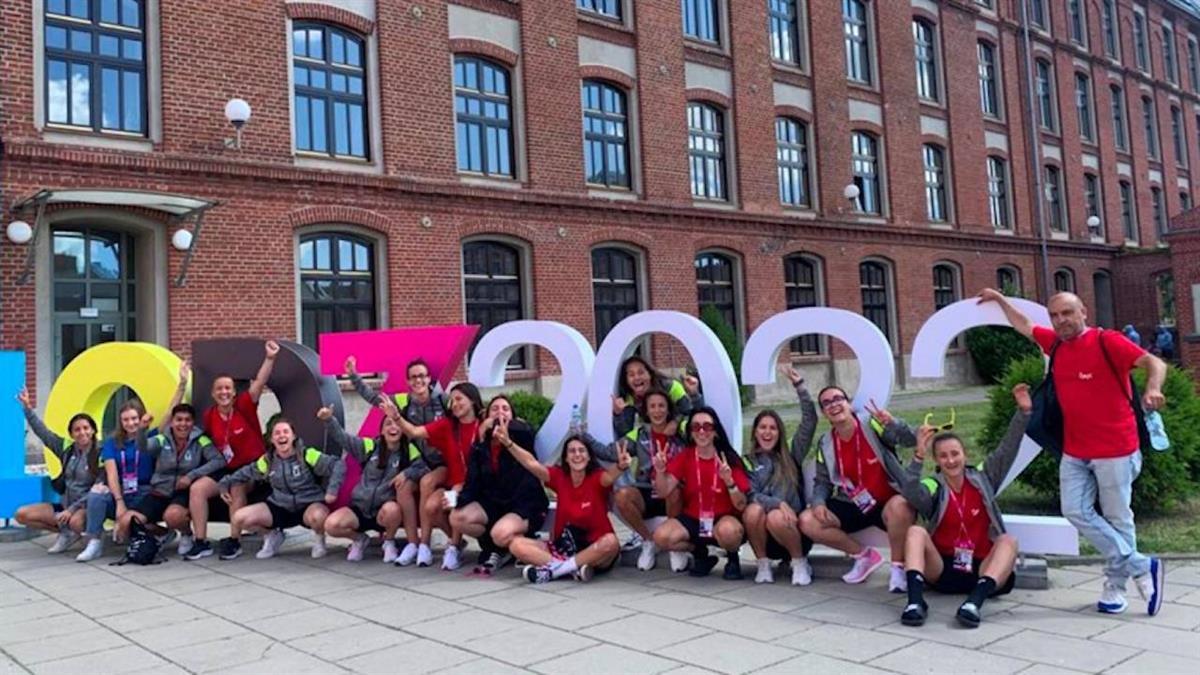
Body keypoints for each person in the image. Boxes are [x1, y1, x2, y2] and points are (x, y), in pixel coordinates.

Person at [978, 288, 1168, 616]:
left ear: (1083, 313)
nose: (1061, 320)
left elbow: (1154, 361)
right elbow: (1023, 324)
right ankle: (1140, 565)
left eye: (1067, 313)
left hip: (1115, 449)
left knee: (1118, 517)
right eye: (1055, 315)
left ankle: (1114, 588)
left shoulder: (1107, 341)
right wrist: (999, 298)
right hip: (1076, 449)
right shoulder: (1055, 344)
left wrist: (1153, 387)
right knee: (1075, 510)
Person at [899, 384, 1032, 628]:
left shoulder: (984, 478)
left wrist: (1023, 413)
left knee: (1008, 541)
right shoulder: (934, 485)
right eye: (943, 456)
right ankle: (915, 602)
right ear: (936, 460)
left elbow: (1007, 449)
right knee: (916, 531)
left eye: (955, 453)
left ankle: (973, 604)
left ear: (965, 454)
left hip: (982, 568)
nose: (950, 460)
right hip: (942, 569)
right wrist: (918, 456)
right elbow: (909, 492)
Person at [799, 389, 919, 590]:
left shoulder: (871, 424)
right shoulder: (826, 442)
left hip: (887, 500)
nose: (834, 405)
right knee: (807, 520)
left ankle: (898, 569)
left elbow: (910, 440)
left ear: (849, 403)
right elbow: (822, 481)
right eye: (827, 403)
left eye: (838, 399)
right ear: (823, 412)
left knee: (900, 506)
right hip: (854, 503)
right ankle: (864, 556)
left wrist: (892, 423)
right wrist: (819, 502)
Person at [182, 342, 280, 560]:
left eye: (228, 388)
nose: (224, 392)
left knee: (236, 486)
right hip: (226, 468)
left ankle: (234, 540)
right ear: (213, 393)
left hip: (252, 469)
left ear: (234, 392)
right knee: (197, 489)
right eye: (219, 389)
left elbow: (259, 383)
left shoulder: (244, 405)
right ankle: (201, 541)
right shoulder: (210, 415)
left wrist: (270, 358)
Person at [345, 355, 446, 566]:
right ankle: (412, 544)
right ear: (408, 381)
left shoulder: (443, 401)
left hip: (444, 464)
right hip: (420, 464)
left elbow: (467, 411)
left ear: (429, 379)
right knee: (402, 487)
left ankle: (425, 545)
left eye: (422, 376)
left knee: (426, 483)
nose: (418, 381)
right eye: (413, 378)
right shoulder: (404, 402)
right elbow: (376, 399)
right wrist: (354, 376)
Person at [583, 388, 686, 571]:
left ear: (668, 409)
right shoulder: (639, 435)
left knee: (673, 490)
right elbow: (610, 452)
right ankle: (648, 541)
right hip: (647, 489)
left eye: (661, 406)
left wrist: (679, 419)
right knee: (621, 496)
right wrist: (584, 437)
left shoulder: (681, 433)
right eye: (652, 406)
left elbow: (698, 416)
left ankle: (674, 545)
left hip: (675, 493)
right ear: (646, 411)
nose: (657, 411)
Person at [216, 416, 345, 560]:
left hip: (308, 504)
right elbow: (243, 473)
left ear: (293, 436)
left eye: (285, 432)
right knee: (239, 518)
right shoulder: (268, 460)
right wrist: (224, 484)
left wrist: (332, 491)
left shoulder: (307, 454)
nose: (281, 436)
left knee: (319, 515)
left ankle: (319, 540)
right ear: (271, 439)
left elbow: (337, 465)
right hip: (279, 506)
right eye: (277, 433)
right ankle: (272, 536)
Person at [506, 431, 627, 583]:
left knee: (611, 542)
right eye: (572, 451)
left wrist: (621, 466)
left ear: (589, 457)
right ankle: (571, 569)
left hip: (596, 548)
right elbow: (531, 463)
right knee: (516, 545)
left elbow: (610, 476)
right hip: (563, 549)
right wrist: (508, 443)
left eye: (582, 450)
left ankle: (555, 570)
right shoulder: (559, 477)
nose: (577, 455)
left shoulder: (597, 478)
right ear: (566, 458)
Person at [387, 382, 484, 569]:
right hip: (454, 483)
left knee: (456, 497)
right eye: (452, 400)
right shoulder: (447, 426)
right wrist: (397, 417)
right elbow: (415, 432)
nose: (454, 404)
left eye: (459, 399)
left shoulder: (483, 425)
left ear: (472, 401)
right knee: (431, 507)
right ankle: (451, 541)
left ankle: (454, 547)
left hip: (477, 486)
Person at [449, 395, 548, 574]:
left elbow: (527, 430)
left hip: (523, 504)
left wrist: (503, 428)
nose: (500, 413)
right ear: (486, 416)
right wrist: (458, 500)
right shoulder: (481, 446)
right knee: (457, 518)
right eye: (494, 409)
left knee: (499, 533)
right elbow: (473, 482)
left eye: (505, 409)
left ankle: (528, 543)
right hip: (494, 505)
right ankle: (500, 549)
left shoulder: (521, 436)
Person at [318, 405, 427, 563]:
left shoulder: (409, 450)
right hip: (360, 508)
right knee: (331, 525)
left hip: (385, 512)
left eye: (397, 424)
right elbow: (344, 439)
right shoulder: (370, 447)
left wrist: (406, 473)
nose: (393, 427)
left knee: (392, 509)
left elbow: (423, 467)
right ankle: (360, 540)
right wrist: (328, 419)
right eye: (388, 424)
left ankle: (389, 542)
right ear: (381, 430)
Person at [652, 407, 752, 579]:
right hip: (694, 519)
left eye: (707, 426)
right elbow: (664, 491)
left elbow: (741, 504)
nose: (701, 431)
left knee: (729, 531)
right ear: (690, 433)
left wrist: (729, 482)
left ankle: (733, 558)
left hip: (724, 518)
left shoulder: (728, 458)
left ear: (715, 432)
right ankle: (700, 553)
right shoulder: (686, 456)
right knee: (661, 537)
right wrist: (660, 471)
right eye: (696, 427)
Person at [743, 368, 816, 585]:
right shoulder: (747, 460)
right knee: (754, 510)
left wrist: (800, 386)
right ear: (755, 432)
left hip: (793, 532)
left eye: (773, 428)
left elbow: (809, 421)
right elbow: (750, 494)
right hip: (765, 539)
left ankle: (799, 562)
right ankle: (763, 564)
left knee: (776, 517)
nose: (767, 432)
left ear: (779, 432)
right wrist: (777, 503)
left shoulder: (791, 454)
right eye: (762, 427)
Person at [119, 404, 225, 556]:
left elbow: (218, 460)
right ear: (172, 422)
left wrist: (192, 476)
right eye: (179, 420)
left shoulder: (201, 440)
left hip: (182, 493)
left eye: (187, 420)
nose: (183, 424)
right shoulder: (162, 439)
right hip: (159, 492)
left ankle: (187, 533)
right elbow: (143, 448)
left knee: (173, 516)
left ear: (193, 422)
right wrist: (142, 429)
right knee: (126, 522)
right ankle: (163, 534)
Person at [14, 388, 99, 554]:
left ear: (93, 430)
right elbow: (43, 433)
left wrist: (72, 510)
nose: (82, 433)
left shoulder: (101, 452)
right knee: (22, 514)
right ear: (71, 434)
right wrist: (27, 408)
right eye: (77, 429)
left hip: (87, 507)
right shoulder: (66, 449)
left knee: (75, 520)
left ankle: (81, 532)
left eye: (86, 428)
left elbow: (98, 488)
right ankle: (66, 534)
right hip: (64, 505)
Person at [77, 399, 157, 562]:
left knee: (130, 521)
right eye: (126, 419)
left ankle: (160, 533)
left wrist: (182, 385)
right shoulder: (112, 443)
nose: (130, 423)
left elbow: (170, 415)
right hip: (121, 490)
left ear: (141, 418)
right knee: (96, 496)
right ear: (120, 422)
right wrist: (119, 502)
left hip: (144, 491)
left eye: (134, 418)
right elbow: (111, 473)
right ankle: (95, 541)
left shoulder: (151, 436)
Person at [612, 356, 701, 437]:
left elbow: (690, 412)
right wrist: (618, 414)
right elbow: (626, 434)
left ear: (650, 374)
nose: (636, 378)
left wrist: (675, 422)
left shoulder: (672, 387)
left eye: (641, 372)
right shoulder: (629, 400)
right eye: (631, 375)